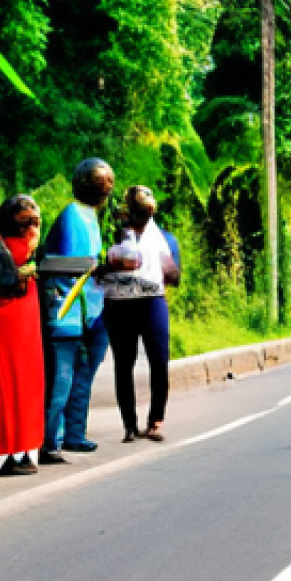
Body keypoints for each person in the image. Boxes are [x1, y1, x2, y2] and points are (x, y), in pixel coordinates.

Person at [39, 158, 118, 463]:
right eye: (100, 178)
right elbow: (69, 266)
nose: (106, 184)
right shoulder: (72, 215)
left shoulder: (92, 217)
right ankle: (50, 439)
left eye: (109, 179)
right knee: (61, 378)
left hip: (91, 310)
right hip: (67, 311)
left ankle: (74, 432)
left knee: (81, 375)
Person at [101, 186, 180, 444]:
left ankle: (155, 421)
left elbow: (174, 276)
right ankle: (130, 425)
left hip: (151, 302)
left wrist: (161, 266)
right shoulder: (114, 236)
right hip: (120, 303)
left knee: (159, 362)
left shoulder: (164, 240)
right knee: (124, 364)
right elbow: (100, 269)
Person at [0, 195, 45, 476]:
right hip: (19, 317)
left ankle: (9, 448)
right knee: (22, 383)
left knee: (2, 381)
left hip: (5, 315)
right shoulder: (21, 252)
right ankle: (19, 448)